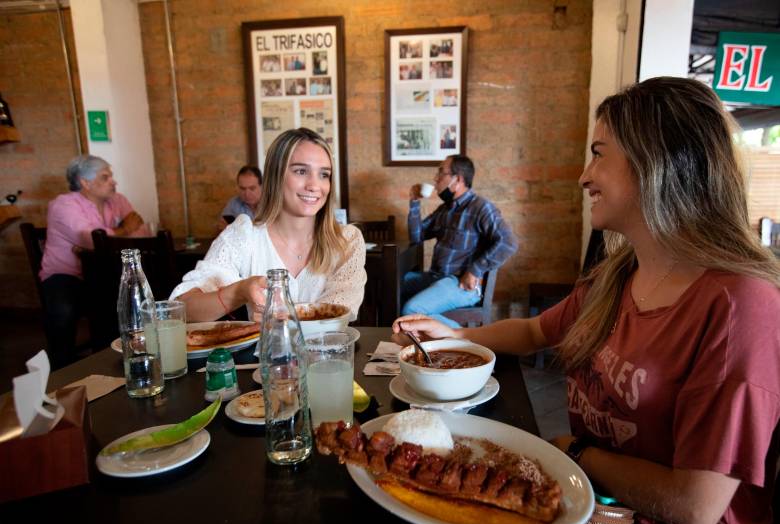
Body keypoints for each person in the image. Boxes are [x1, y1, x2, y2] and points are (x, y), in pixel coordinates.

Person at [393, 77, 780, 524]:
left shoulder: (740, 305)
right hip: (598, 506)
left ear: (656, 162)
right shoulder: (618, 277)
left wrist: (574, 453)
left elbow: (696, 506)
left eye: (599, 154)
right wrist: (457, 333)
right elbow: (535, 331)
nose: (584, 176)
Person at [171, 128, 366, 321]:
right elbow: (181, 310)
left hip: (328, 353)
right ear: (276, 176)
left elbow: (339, 311)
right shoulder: (244, 234)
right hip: (267, 353)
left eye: (324, 175)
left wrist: (281, 317)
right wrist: (239, 291)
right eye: (300, 171)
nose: (314, 186)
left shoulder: (347, 241)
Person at [39, 155, 149, 368]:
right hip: (67, 274)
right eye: (105, 177)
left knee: (131, 296)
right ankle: (62, 368)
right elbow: (89, 238)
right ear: (85, 182)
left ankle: (114, 359)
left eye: (111, 176)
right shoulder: (63, 205)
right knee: (64, 309)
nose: (113, 182)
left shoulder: (118, 200)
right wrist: (122, 231)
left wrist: (105, 239)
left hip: (107, 272)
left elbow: (141, 233)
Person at [402, 154, 517, 328]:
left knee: (411, 310)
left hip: (461, 285)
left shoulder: (480, 207)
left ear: (457, 179)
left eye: (441, 172)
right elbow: (417, 237)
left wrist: (475, 270)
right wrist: (414, 202)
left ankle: (469, 341)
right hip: (437, 277)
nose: (435, 179)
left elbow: (508, 242)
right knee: (391, 286)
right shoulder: (445, 210)